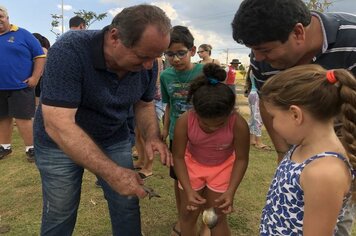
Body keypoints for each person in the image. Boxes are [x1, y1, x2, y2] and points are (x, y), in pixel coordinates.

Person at [33, 4, 172, 235]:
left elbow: (145, 103)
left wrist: (152, 136)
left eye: (156, 57)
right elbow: (59, 123)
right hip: (57, 144)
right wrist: (112, 173)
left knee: (127, 204)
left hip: (112, 138)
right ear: (115, 36)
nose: (149, 66)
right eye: (142, 56)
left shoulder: (147, 63)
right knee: (60, 213)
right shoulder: (70, 50)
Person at [231, 1, 356, 233]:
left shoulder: (325, 172)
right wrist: (282, 152)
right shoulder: (298, 148)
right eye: (253, 50)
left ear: (298, 32)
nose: (257, 58)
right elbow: (270, 106)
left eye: (265, 50)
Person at [259, 64, 356, 235]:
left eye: (273, 116)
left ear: (295, 115)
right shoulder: (301, 146)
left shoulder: (324, 172)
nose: (271, 125)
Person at [173, 63, 249, 236]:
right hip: (192, 167)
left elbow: (242, 158)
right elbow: (177, 157)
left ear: (232, 112)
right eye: (205, 123)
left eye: (220, 124)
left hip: (222, 168)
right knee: (188, 214)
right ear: (195, 112)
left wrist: (231, 191)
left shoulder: (238, 124)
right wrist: (188, 189)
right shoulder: (185, 121)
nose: (212, 128)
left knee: (215, 218)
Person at [160, 25, 204, 236]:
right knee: (179, 180)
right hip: (178, 137)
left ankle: (206, 224)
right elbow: (168, 105)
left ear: (192, 51)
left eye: (181, 53)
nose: (175, 58)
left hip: (203, 138)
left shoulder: (203, 72)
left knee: (205, 180)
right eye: (170, 54)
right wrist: (165, 130)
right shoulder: (165, 76)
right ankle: (183, 220)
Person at [0, 5, 46, 162]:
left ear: (7, 17)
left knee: (23, 119)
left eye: (1, 16)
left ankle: (32, 149)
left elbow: (40, 56)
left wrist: (35, 77)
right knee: (2, 118)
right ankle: (4, 147)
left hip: (20, 86)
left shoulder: (23, 34)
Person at [245, 68, 271, 150]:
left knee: (253, 118)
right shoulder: (259, 70)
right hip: (256, 94)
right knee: (258, 118)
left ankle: (252, 139)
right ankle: (258, 142)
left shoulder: (252, 69)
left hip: (252, 93)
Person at [32, 33, 51, 106]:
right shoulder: (44, 49)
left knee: (37, 102)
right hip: (41, 77)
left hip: (40, 77)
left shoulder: (42, 50)